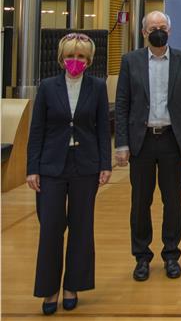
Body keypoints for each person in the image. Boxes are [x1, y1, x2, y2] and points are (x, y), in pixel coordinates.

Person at [26, 32, 111, 315]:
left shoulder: (97, 87)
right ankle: (49, 289)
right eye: (72, 56)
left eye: (82, 57)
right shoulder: (48, 87)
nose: (76, 61)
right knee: (51, 228)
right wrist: (32, 168)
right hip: (51, 166)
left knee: (81, 227)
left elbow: (102, 129)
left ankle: (73, 285)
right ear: (62, 58)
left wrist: (105, 164)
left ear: (89, 60)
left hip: (85, 166)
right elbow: (36, 130)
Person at [115, 11, 181, 282]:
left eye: (162, 27)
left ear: (170, 31)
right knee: (140, 202)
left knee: (172, 201)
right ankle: (141, 257)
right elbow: (123, 105)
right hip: (141, 142)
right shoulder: (130, 61)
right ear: (143, 32)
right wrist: (122, 144)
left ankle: (171, 254)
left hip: (172, 141)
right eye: (153, 27)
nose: (158, 31)